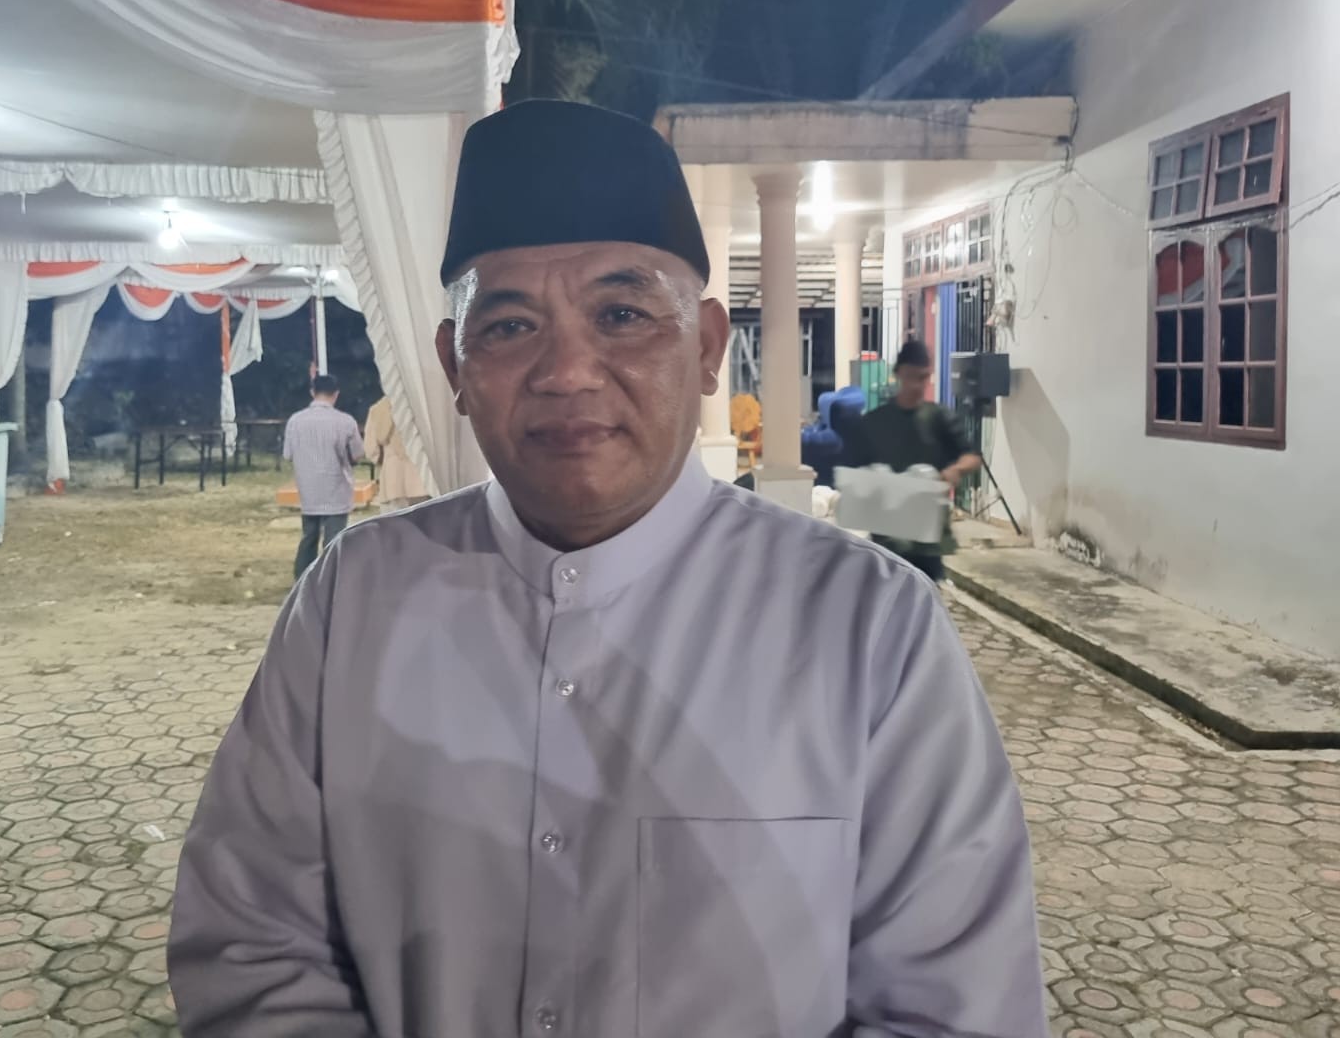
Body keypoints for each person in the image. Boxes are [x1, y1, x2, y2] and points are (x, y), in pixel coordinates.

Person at [171, 100, 1047, 1038]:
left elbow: (955, 1008)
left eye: (622, 315)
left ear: (706, 348)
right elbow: (251, 941)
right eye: (509, 327)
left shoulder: (869, 627)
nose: (568, 372)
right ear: (454, 369)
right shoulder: (353, 601)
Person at [846, 339, 983, 583]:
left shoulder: (939, 418)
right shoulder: (875, 422)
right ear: (898, 374)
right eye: (911, 376)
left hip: (926, 538)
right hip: (887, 538)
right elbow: (854, 472)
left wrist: (956, 469)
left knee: (925, 597)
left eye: (923, 377)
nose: (917, 385)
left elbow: (972, 457)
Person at [281, 374, 363, 580]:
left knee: (309, 536)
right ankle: (329, 580)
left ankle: (303, 579)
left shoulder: (295, 421)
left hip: (308, 488)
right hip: (336, 487)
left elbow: (288, 454)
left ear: (312, 392)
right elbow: (357, 454)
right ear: (336, 394)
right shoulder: (345, 421)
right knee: (333, 539)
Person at [362, 393, 429, 514]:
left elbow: (370, 449)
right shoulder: (423, 405)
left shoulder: (377, 409)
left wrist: (381, 460)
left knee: (394, 522)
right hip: (421, 477)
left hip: (392, 478)